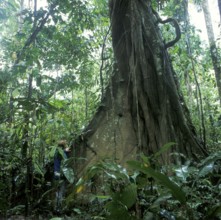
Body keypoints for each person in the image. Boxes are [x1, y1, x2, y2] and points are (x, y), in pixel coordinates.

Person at [53, 140, 71, 214]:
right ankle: (59, 209)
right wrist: (66, 151)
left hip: (56, 174)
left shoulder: (56, 153)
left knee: (57, 192)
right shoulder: (63, 153)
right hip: (62, 174)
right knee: (61, 192)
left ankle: (56, 208)